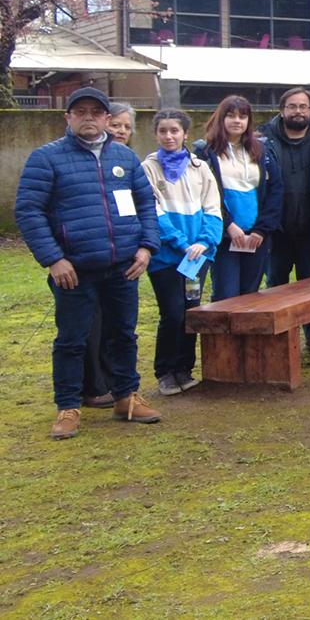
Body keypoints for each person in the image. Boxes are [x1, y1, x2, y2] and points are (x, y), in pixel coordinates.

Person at [16, 87, 161, 439]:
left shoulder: (125, 158)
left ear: (107, 119)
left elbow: (146, 206)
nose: (88, 118)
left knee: (123, 335)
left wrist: (146, 248)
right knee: (72, 340)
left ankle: (126, 397)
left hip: (123, 267)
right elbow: (28, 211)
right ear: (68, 117)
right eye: (80, 111)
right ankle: (68, 407)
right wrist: (53, 259)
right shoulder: (46, 158)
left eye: (96, 112)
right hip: (74, 271)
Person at [140, 109, 223, 396]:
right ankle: (165, 371)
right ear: (156, 134)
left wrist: (204, 241)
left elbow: (213, 207)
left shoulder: (200, 168)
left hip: (197, 257)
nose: (169, 136)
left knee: (190, 313)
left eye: (174, 130)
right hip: (167, 255)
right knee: (172, 313)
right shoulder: (148, 168)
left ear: (185, 134)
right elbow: (153, 210)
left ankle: (185, 369)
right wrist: (180, 242)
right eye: (163, 131)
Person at [260, 87, 310, 354]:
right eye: (292, 106)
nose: (298, 111)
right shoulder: (262, 140)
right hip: (276, 228)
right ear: (282, 110)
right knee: (276, 284)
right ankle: (281, 337)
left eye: (303, 107)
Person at [196, 95, 282, 302]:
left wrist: (261, 229)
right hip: (224, 237)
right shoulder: (205, 152)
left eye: (242, 116)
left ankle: (247, 336)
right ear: (220, 118)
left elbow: (276, 190)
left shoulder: (262, 150)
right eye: (231, 116)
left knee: (250, 294)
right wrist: (229, 226)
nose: (237, 121)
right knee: (226, 294)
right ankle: (223, 336)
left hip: (256, 237)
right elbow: (203, 193)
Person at [80, 101, 133, 406]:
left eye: (127, 127)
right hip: (89, 257)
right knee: (90, 326)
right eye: (117, 125)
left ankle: (116, 382)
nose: (121, 131)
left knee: (118, 326)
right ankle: (92, 384)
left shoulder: (126, 161)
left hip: (123, 257)